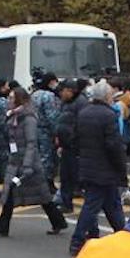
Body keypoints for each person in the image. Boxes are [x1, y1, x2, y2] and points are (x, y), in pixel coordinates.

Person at [0, 85, 68, 238]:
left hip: (28, 164)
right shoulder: (12, 116)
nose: (9, 101)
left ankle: (57, 221)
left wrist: (27, 165)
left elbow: (31, 143)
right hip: (16, 161)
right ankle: (2, 226)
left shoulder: (28, 118)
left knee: (42, 196)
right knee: (11, 194)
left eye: (11, 98)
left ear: (19, 99)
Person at [66, 80, 128, 254]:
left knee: (112, 205)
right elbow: (114, 146)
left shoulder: (84, 113)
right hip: (105, 169)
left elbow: (75, 139)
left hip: (88, 165)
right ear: (106, 97)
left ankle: (122, 236)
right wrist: (121, 170)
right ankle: (77, 240)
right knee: (94, 206)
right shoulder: (109, 116)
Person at [56, 79, 84, 212]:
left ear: (71, 91)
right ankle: (66, 203)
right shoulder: (65, 103)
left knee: (76, 176)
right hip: (65, 146)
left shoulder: (81, 103)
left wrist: (74, 140)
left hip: (76, 147)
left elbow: (81, 125)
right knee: (65, 176)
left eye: (63, 91)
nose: (61, 93)